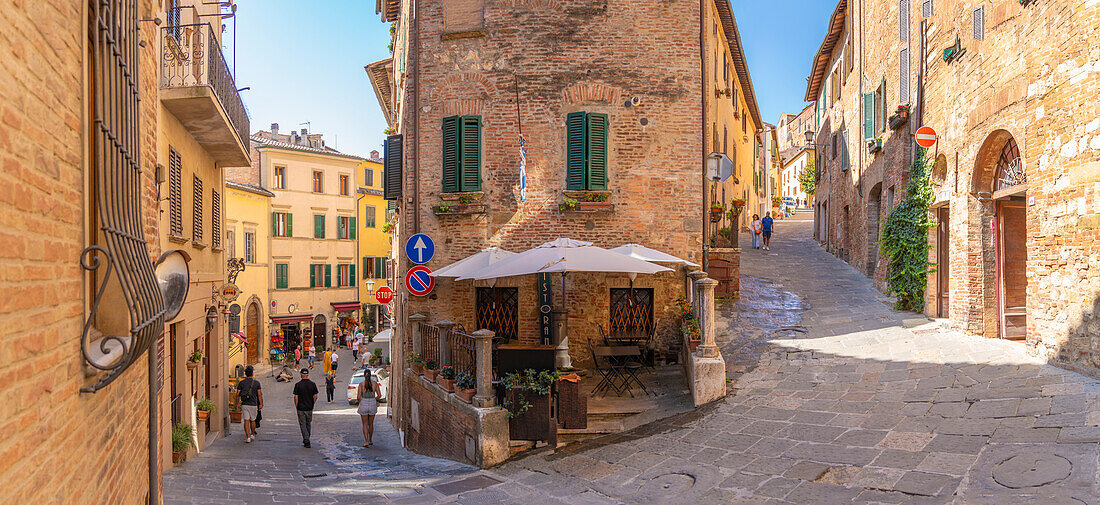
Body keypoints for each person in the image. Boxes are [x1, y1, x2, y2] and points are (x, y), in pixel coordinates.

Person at [293, 368, 319, 448]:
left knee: (302, 424)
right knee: (308, 423)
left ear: (301, 375)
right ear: (307, 374)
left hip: (300, 407)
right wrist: (312, 403)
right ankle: (307, 437)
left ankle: (306, 439)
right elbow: (315, 396)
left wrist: (296, 406)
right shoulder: (312, 384)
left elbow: (295, 397)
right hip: (309, 407)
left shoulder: (298, 385)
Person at [236, 365, 263, 443]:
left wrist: (237, 403)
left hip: (244, 404)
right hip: (253, 404)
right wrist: (261, 403)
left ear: (245, 374)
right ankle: (252, 434)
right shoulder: (256, 383)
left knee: (246, 421)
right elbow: (259, 394)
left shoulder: (241, 383)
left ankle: (248, 437)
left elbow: (237, 394)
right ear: (252, 373)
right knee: (253, 420)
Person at [357, 370, 381, 447]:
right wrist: (374, 399)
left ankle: (366, 441)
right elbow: (379, 395)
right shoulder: (375, 384)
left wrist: (360, 401)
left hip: (363, 403)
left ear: (364, 375)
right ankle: (370, 440)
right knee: (371, 423)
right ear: (370, 375)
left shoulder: (361, 385)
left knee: (364, 424)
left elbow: (358, 397)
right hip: (372, 404)